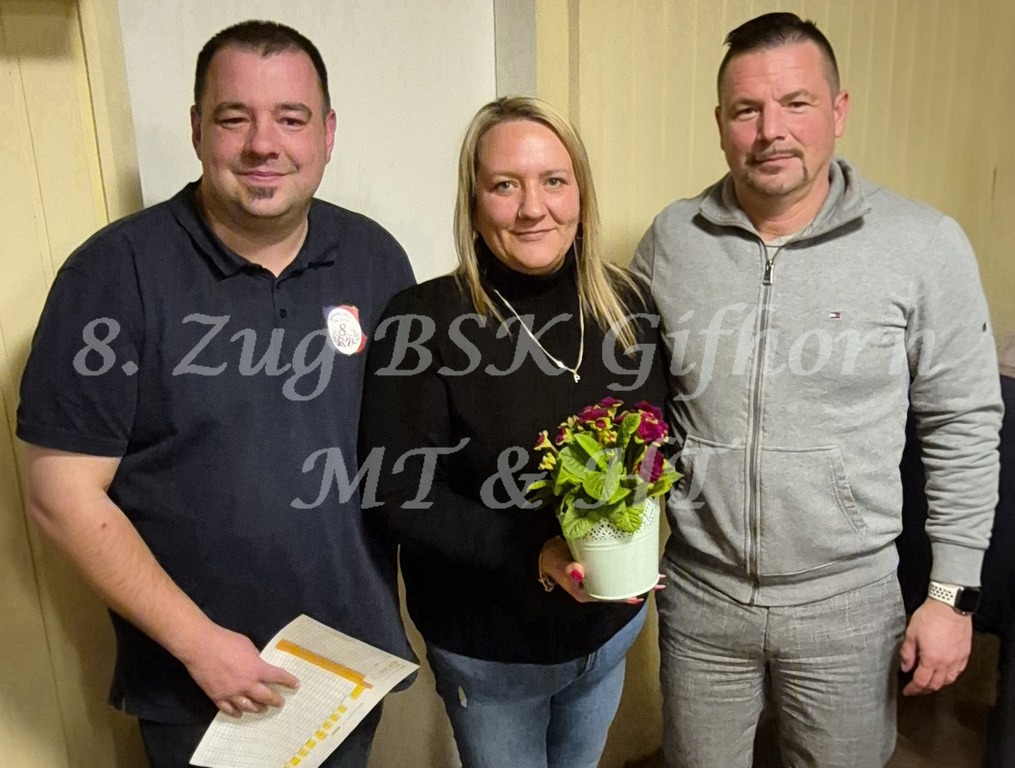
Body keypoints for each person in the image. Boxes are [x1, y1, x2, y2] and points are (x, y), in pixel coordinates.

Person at [17, 20, 414, 768]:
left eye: (291, 118)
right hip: (200, 686)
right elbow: (59, 496)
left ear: (327, 134)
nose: (264, 144)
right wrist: (201, 647)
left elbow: (409, 446)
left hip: (345, 668)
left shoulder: (374, 258)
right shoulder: (114, 275)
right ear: (198, 129)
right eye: (235, 118)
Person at [631, 12, 1003, 768]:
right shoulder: (671, 241)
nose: (771, 130)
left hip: (849, 605)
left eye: (795, 103)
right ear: (720, 123)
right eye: (747, 109)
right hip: (701, 597)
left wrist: (952, 595)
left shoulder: (922, 244)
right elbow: (637, 408)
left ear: (837, 110)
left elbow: (962, 423)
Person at [359, 96, 667, 768]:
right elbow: (397, 494)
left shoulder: (628, 307)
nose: (533, 208)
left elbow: (654, 447)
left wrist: (636, 533)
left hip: (608, 633)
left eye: (553, 180)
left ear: (580, 194)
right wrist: (536, 552)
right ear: (473, 204)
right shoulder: (423, 321)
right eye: (504, 185)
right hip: (491, 652)